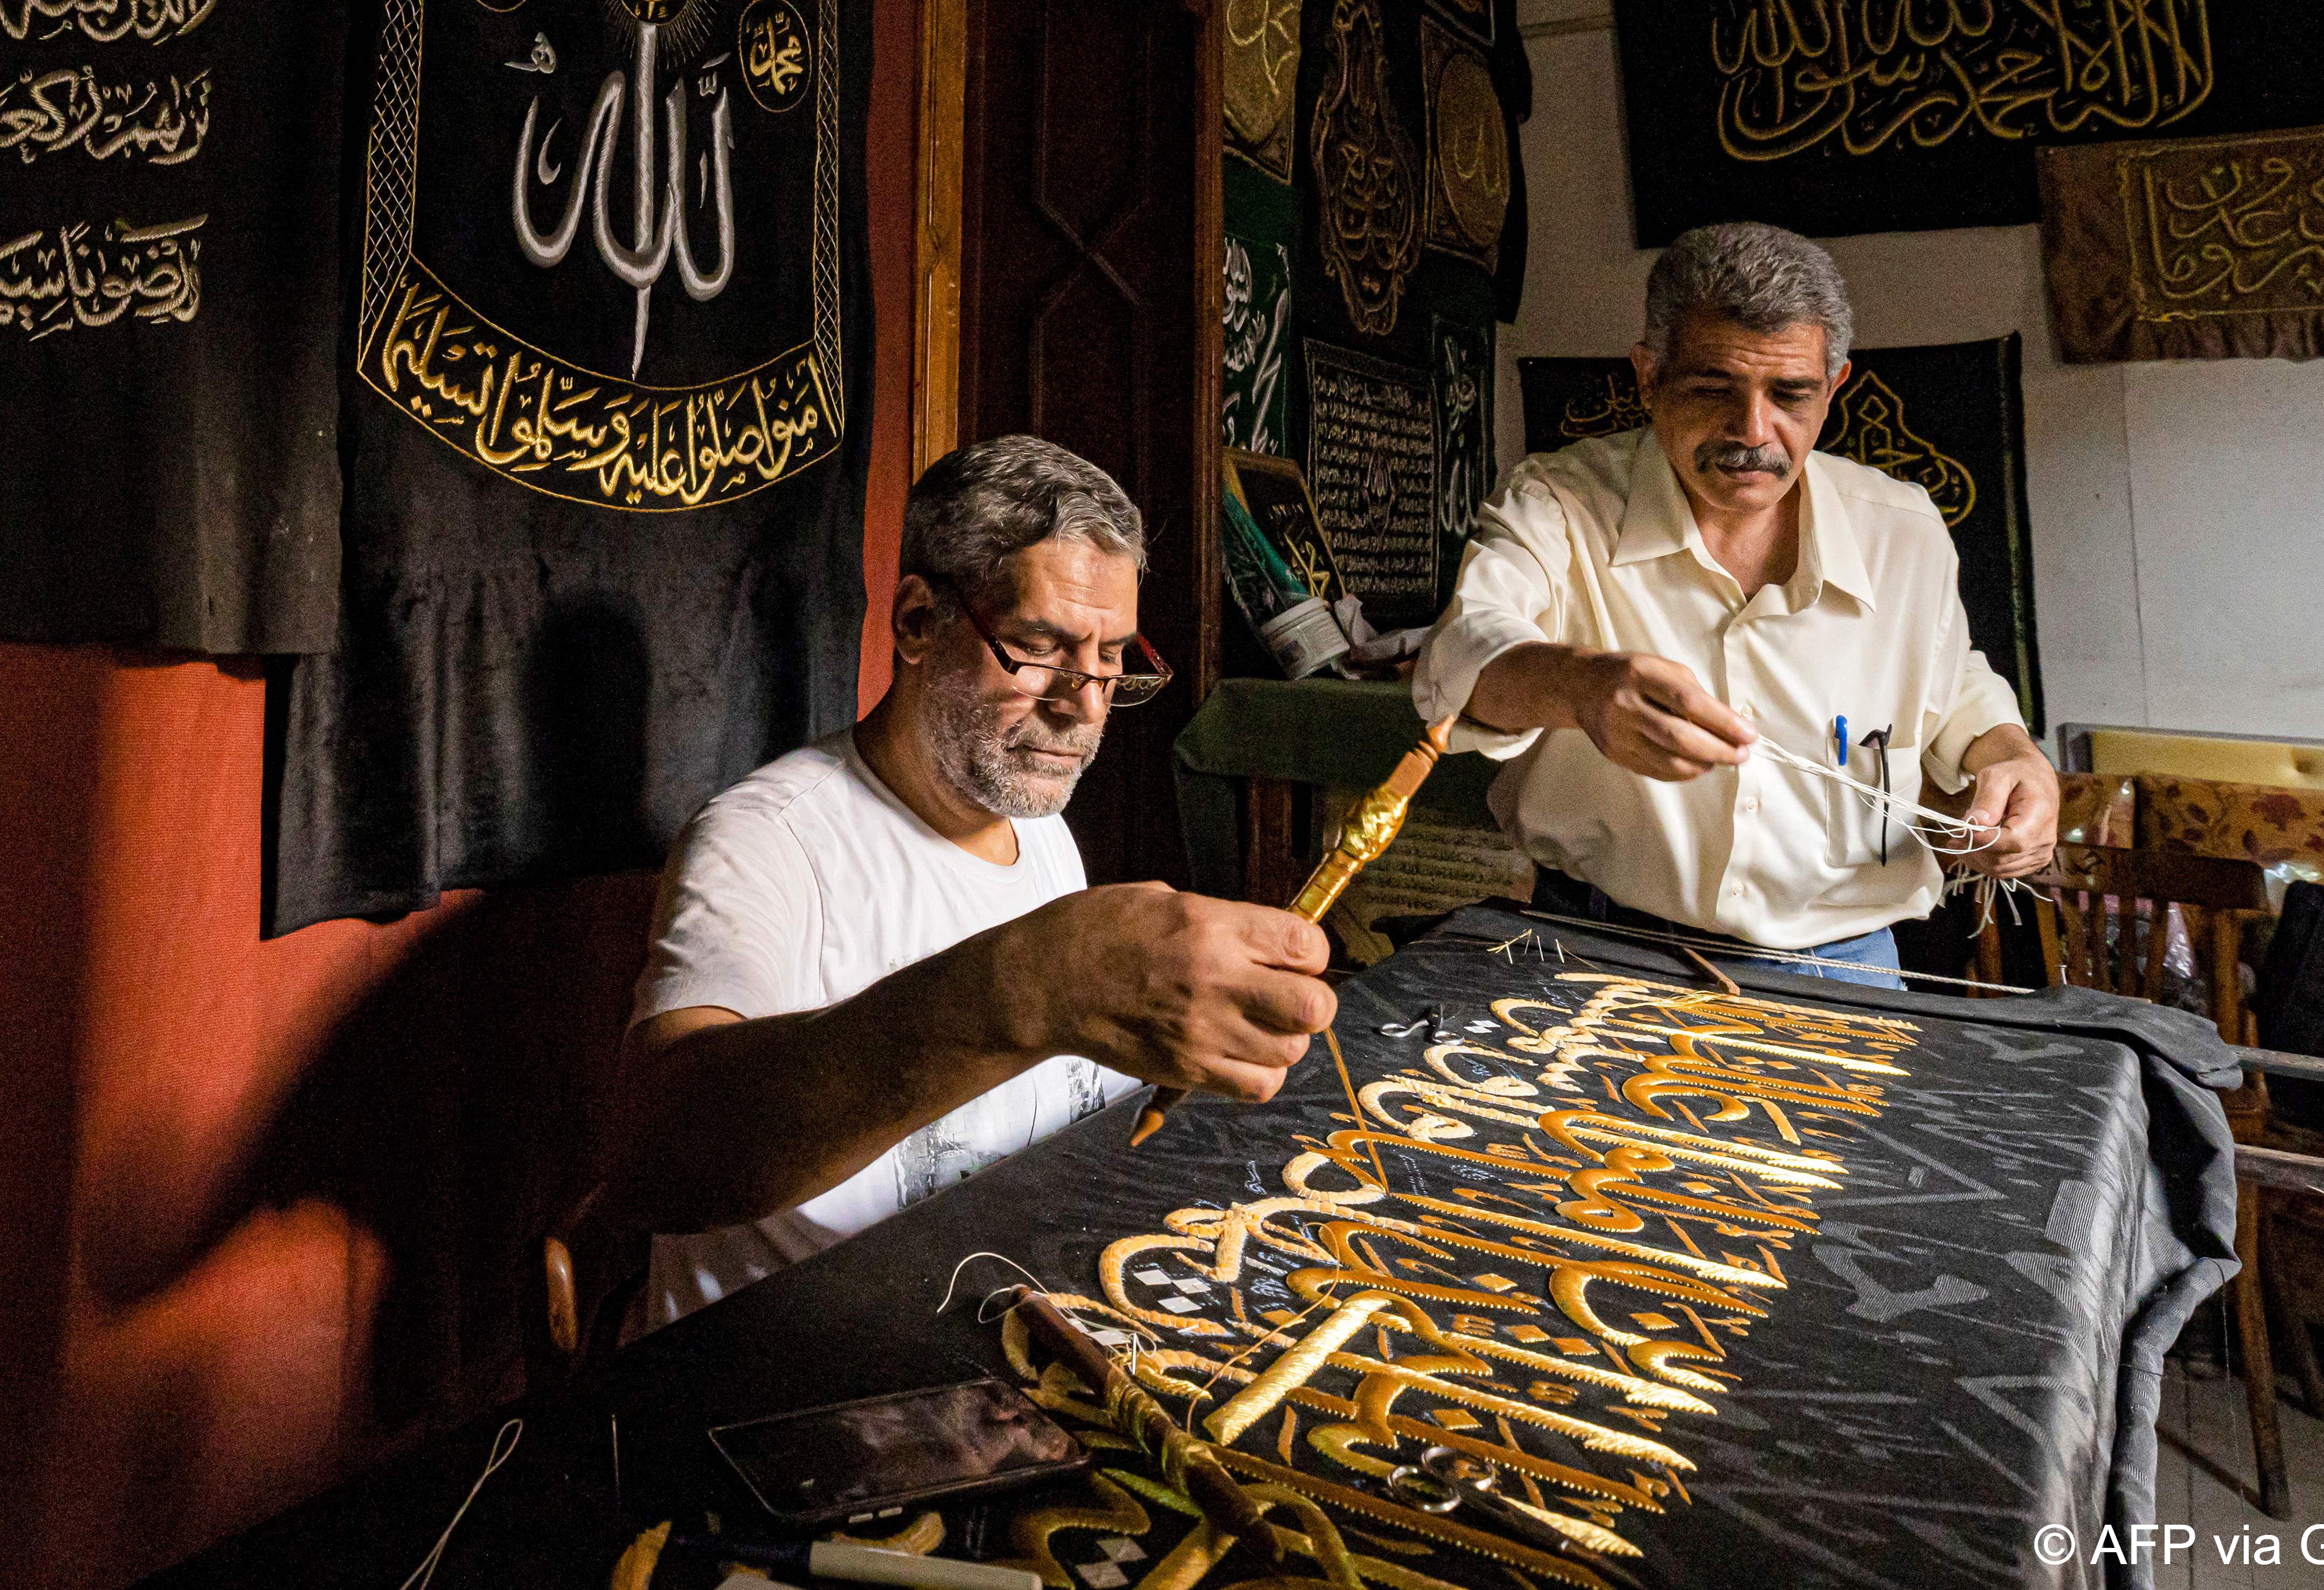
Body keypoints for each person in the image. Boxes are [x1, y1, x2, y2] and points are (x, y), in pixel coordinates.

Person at [612, 435, 1336, 1328]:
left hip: (993, 1341)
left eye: (1112, 659)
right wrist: (1033, 980)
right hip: (796, 1383)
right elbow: (660, 1153)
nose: (1088, 706)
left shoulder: (1044, 837)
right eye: (1040, 650)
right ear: (918, 622)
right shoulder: (767, 843)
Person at [1415, 222, 2058, 988]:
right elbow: (1461, 658)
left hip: (1846, 971)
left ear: (1836, 387)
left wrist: (2012, 756)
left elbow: (1950, 686)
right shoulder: (1558, 504)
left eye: (1791, 394)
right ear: (1649, 377)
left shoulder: (1903, 529)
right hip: (1599, 951)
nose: (1753, 431)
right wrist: (1582, 686)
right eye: (1713, 388)